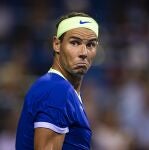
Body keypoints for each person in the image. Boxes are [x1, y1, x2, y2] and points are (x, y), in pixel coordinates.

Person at [15, 11, 99, 150]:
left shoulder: (59, 89)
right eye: (75, 43)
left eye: (91, 44)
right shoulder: (57, 90)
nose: (83, 52)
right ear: (57, 44)